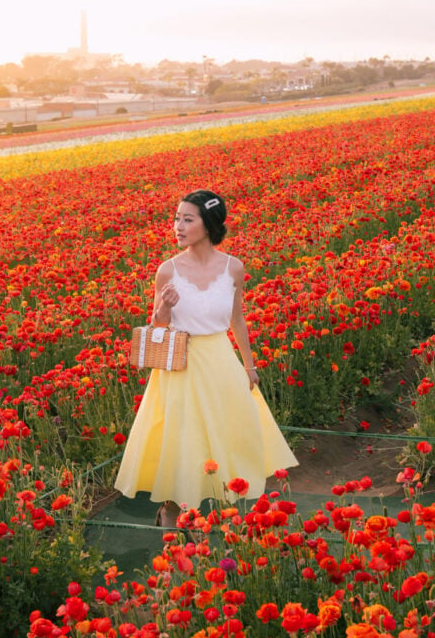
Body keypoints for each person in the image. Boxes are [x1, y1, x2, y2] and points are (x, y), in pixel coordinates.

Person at [115, 188, 298, 527]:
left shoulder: (233, 268)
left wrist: (249, 366)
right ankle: (171, 513)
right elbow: (157, 326)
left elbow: (237, 319)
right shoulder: (168, 271)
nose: (178, 226)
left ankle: (218, 517)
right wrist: (164, 307)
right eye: (176, 218)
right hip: (180, 367)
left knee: (227, 437)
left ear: (209, 224)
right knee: (181, 442)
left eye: (188, 219)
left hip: (220, 362)